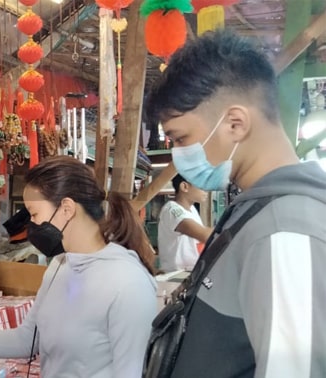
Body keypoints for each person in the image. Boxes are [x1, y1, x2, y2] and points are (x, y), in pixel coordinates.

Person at [144, 30, 326, 377]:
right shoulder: (252, 211)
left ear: (235, 123)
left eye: (182, 138)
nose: (179, 155)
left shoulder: (284, 229)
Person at [0, 156, 157, 378]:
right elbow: (26, 340)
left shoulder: (128, 283)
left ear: (67, 209)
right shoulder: (60, 267)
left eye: (34, 213)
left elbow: (130, 372)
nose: (31, 224)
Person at [157, 174, 213, 271]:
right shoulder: (172, 210)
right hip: (176, 274)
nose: (206, 190)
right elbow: (205, 235)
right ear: (184, 187)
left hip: (190, 271)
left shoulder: (192, 209)